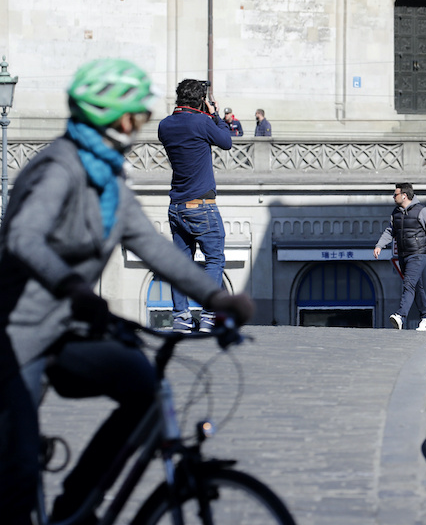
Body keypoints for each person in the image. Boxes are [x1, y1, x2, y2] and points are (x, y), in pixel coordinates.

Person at [0, 59, 255, 525]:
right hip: (16, 337)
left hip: (65, 329)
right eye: (133, 117)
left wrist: (216, 297)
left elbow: (151, 245)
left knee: (144, 389)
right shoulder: (58, 168)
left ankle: (77, 506)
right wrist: (74, 287)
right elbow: (23, 238)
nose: (140, 127)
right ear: (110, 117)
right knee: (14, 474)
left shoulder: (110, 177)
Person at [158, 78, 233, 333]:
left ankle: (181, 317)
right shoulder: (202, 122)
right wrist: (214, 116)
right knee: (214, 260)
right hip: (202, 205)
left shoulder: (164, 125)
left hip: (176, 205)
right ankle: (209, 316)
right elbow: (226, 141)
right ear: (201, 101)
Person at [372, 183, 426, 331]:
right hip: (403, 255)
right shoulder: (396, 213)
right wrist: (379, 245)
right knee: (417, 286)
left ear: (404, 195)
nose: (393, 197)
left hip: (418, 255)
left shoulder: (422, 211)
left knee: (409, 284)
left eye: (395, 194)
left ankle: (400, 315)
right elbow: (390, 231)